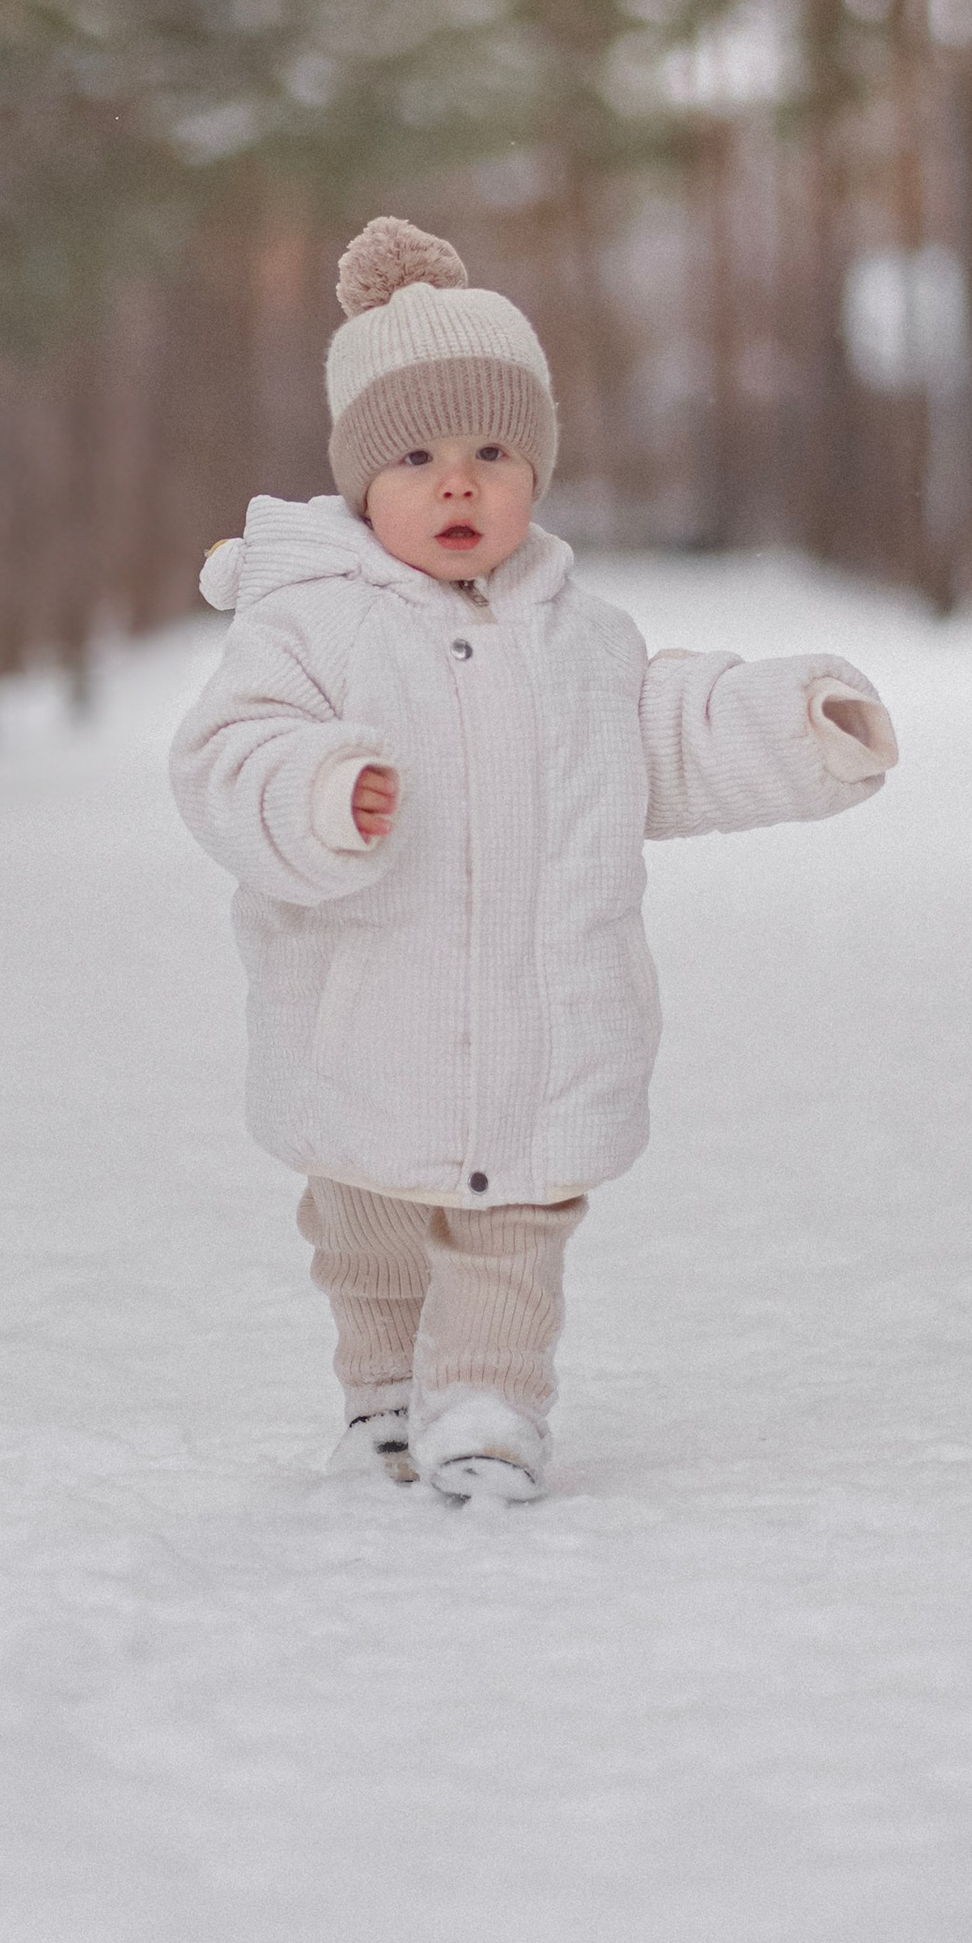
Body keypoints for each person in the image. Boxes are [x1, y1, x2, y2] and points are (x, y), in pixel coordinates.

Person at [169, 216, 897, 1505]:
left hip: (541, 1017)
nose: (458, 484)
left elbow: (662, 738)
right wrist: (320, 791)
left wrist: (797, 726)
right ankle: (385, 1393)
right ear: (358, 482)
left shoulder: (583, 639)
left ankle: (494, 1406)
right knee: (372, 1224)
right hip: (367, 1021)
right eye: (417, 456)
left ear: (538, 472)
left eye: (492, 452)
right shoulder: (308, 627)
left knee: (517, 1232)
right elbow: (225, 759)